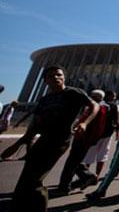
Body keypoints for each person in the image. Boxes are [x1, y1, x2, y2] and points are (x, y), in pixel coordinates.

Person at [1, 65, 99, 212]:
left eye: (59, 75)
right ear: (45, 81)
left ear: (64, 77)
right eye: (51, 76)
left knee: (35, 179)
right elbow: (36, 124)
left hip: (59, 141)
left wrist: (84, 123)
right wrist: (19, 143)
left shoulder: (73, 93)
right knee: (25, 177)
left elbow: (94, 105)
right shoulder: (45, 99)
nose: (56, 77)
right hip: (43, 139)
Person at [57, 89, 109, 194]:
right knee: (74, 161)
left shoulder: (96, 108)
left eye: (93, 96)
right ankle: (86, 176)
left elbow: (92, 125)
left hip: (84, 139)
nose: (90, 97)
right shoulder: (92, 108)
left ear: (98, 98)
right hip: (82, 139)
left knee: (71, 163)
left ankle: (65, 186)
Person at [79, 89, 119, 183]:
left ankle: (85, 176)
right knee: (102, 156)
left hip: (95, 135)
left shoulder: (95, 106)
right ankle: (96, 176)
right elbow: (115, 121)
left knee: (89, 156)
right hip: (107, 135)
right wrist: (116, 132)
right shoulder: (112, 106)